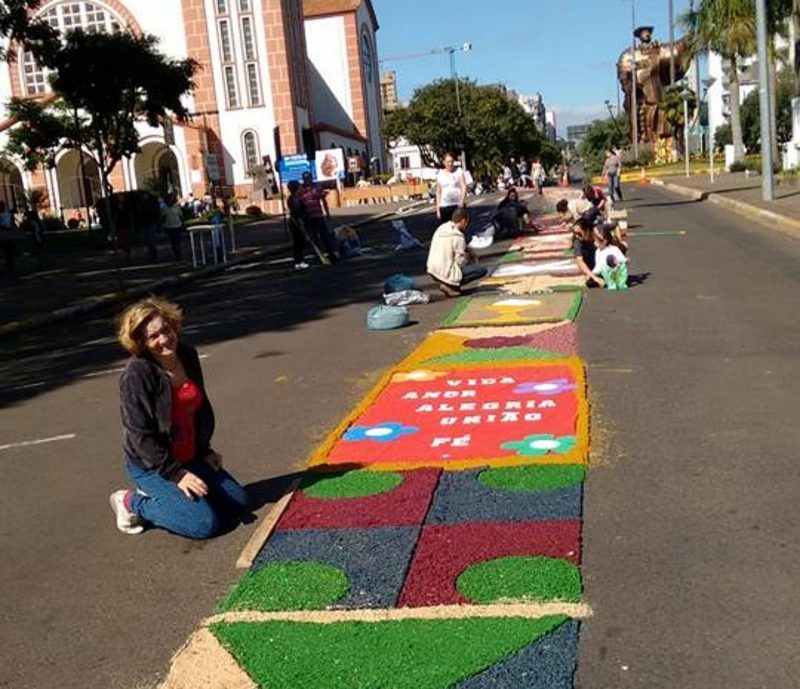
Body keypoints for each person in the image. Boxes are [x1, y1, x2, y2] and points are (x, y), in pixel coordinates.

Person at [110, 297, 251, 538]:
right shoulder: (137, 374)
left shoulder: (187, 354)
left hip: (189, 455)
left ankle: (183, 498)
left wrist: (205, 450)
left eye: (165, 329)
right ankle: (131, 502)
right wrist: (177, 474)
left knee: (240, 502)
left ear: (172, 324)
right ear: (141, 342)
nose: (164, 339)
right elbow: (140, 435)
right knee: (203, 524)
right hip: (153, 465)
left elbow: (197, 409)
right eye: (153, 337)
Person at [426, 207, 487, 297]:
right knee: (481, 270)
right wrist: (469, 259)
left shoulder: (441, 228)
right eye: (467, 222)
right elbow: (460, 261)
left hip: (432, 269)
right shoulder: (458, 237)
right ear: (463, 221)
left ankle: (449, 284)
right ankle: (450, 285)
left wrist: (470, 252)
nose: (467, 225)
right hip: (446, 272)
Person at [300, 171, 338, 262]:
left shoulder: (317, 187)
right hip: (308, 217)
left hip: (318, 215)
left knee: (324, 235)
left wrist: (327, 213)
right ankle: (318, 255)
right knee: (314, 237)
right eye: (305, 179)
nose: (307, 180)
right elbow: (299, 203)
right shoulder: (301, 189)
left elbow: (323, 200)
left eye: (308, 178)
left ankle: (331, 254)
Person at [593, 223, 629, 290]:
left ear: (605, 241)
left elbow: (621, 260)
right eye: (595, 240)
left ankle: (618, 282)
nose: (595, 242)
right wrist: (593, 273)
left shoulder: (613, 249)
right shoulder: (597, 252)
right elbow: (598, 265)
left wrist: (624, 260)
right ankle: (610, 282)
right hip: (606, 273)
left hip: (616, 271)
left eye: (598, 241)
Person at [572, 216, 604, 288]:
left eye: (579, 234)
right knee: (590, 283)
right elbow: (580, 261)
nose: (577, 236)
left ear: (587, 230)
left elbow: (614, 224)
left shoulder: (598, 231)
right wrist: (594, 278)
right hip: (592, 266)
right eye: (575, 233)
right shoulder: (578, 242)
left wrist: (599, 239)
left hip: (604, 262)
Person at [435, 152, 467, 223]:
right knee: (447, 229)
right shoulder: (440, 174)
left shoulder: (459, 171)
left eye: (452, 161)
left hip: (458, 205)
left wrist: (462, 201)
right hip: (445, 206)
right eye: (448, 162)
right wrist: (438, 209)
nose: (450, 164)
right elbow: (438, 193)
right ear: (444, 162)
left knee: (459, 228)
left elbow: (463, 186)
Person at [286, 180, 310, 270]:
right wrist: (302, 225)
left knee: (298, 243)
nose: (301, 188)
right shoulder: (295, 199)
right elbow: (298, 213)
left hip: (294, 222)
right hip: (297, 223)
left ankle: (298, 261)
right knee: (300, 242)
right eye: (299, 186)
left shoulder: (292, 198)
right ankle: (299, 261)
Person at [161, 195, 183, 260]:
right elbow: (163, 217)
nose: (170, 201)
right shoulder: (164, 208)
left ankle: (178, 253)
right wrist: (162, 225)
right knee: (173, 241)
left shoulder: (177, 207)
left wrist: (183, 224)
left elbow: (181, 215)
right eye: (169, 200)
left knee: (178, 241)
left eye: (171, 200)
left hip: (177, 225)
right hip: (169, 226)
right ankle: (176, 253)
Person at [0, 200, 17, 277]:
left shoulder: (8, 214)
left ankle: (11, 268)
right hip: (2, 232)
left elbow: (12, 222)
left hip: (8, 232)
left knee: (9, 252)